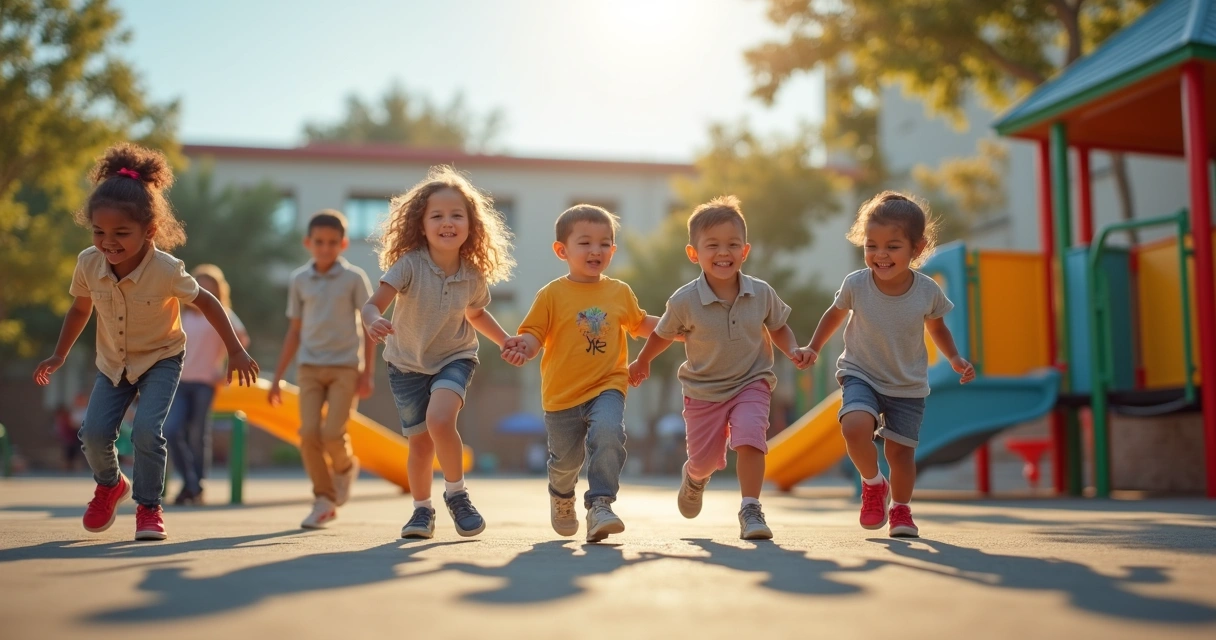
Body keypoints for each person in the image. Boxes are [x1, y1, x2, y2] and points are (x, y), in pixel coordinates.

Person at [33, 142, 258, 541]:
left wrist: (236, 350)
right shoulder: (88, 262)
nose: (109, 242)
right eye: (100, 232)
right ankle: (110, 484)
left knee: (147, 432)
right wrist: (59, 354)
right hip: (113, 363)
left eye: (121, 233)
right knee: (95, 435)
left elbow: (207, 301)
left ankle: (149, 507)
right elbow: (80, 310)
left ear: (149, 230)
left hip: (161, 359)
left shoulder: (167, 270)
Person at [628, 196, 812, 540]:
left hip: (751, 382)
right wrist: (642, 361)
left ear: (745, 251)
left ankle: (751, 509)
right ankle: (695, 478)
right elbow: (662, 334)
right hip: (703, 391)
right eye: (712, 245)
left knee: (751, 437)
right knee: (704, 461)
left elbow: (778, 326)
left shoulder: (761, 293)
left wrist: (792, 350)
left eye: (732, 244)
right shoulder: (683, 300)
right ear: (693, 253)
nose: (723, 252)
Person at [803, 191, 975, 538]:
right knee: (854, 427)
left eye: (892, 246)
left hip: (906, 383)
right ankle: (873, 484)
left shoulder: (927, 291)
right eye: (871, 246)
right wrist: (814, 347)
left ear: (918, 248)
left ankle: (901, 510)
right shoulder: (856, 284)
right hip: (860, 372)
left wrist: (954, 357)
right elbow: (834, 315)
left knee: (900, 453)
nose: (880, 255)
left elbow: (937, 327)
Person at [362, 166, 519, 540]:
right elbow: (373, 304)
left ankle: (457, 495)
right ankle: (421, 511)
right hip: (406, 364)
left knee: (440, 419)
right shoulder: (409, 265)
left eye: (456, 215)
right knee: (419, 445)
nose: (447, 223)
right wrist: (371, 320)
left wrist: (504, 340)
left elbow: (476, 313)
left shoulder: (473, 274)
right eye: (437, 216)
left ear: (471, 224)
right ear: (421, 224)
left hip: (455, 357)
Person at [503, 204, 661, 543]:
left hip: (608, 384)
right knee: (565, 463)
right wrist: (524, 348)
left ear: (613, 250)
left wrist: (680, 326)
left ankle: (600, 504)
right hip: (561, 396)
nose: (596, 250)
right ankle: (561, 496)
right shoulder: (551, 294)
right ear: (562, 250)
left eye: (605, 243)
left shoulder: (619, 292)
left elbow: (641, 323)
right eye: (585, 242)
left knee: (609, 432)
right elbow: (533, 334)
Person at [269, 210, 375, 529]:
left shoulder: (354, 278)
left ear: (343, 244)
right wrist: (276, 378)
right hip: (309, 368)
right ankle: (324, 500)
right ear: (308, 243)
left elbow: (371, 326)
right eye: (319, 242)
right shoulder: (300, 280)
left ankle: (344, 468)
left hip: (345, 367)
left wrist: (367, 373)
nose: (326, 248)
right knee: (308, 434)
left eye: (332, 243)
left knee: (333, 434)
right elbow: (294, 330)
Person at [164, 264, 250, 505]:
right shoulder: (182, 314)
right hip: (179, 382)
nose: (201, 289)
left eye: (207, 286)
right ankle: (192, 483)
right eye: (198, 284)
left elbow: (242, 340)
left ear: (216, 291)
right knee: (170, 430)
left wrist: (222, 371)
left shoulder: (222, 313)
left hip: (205, 383)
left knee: (198, 434)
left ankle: (194, 487)